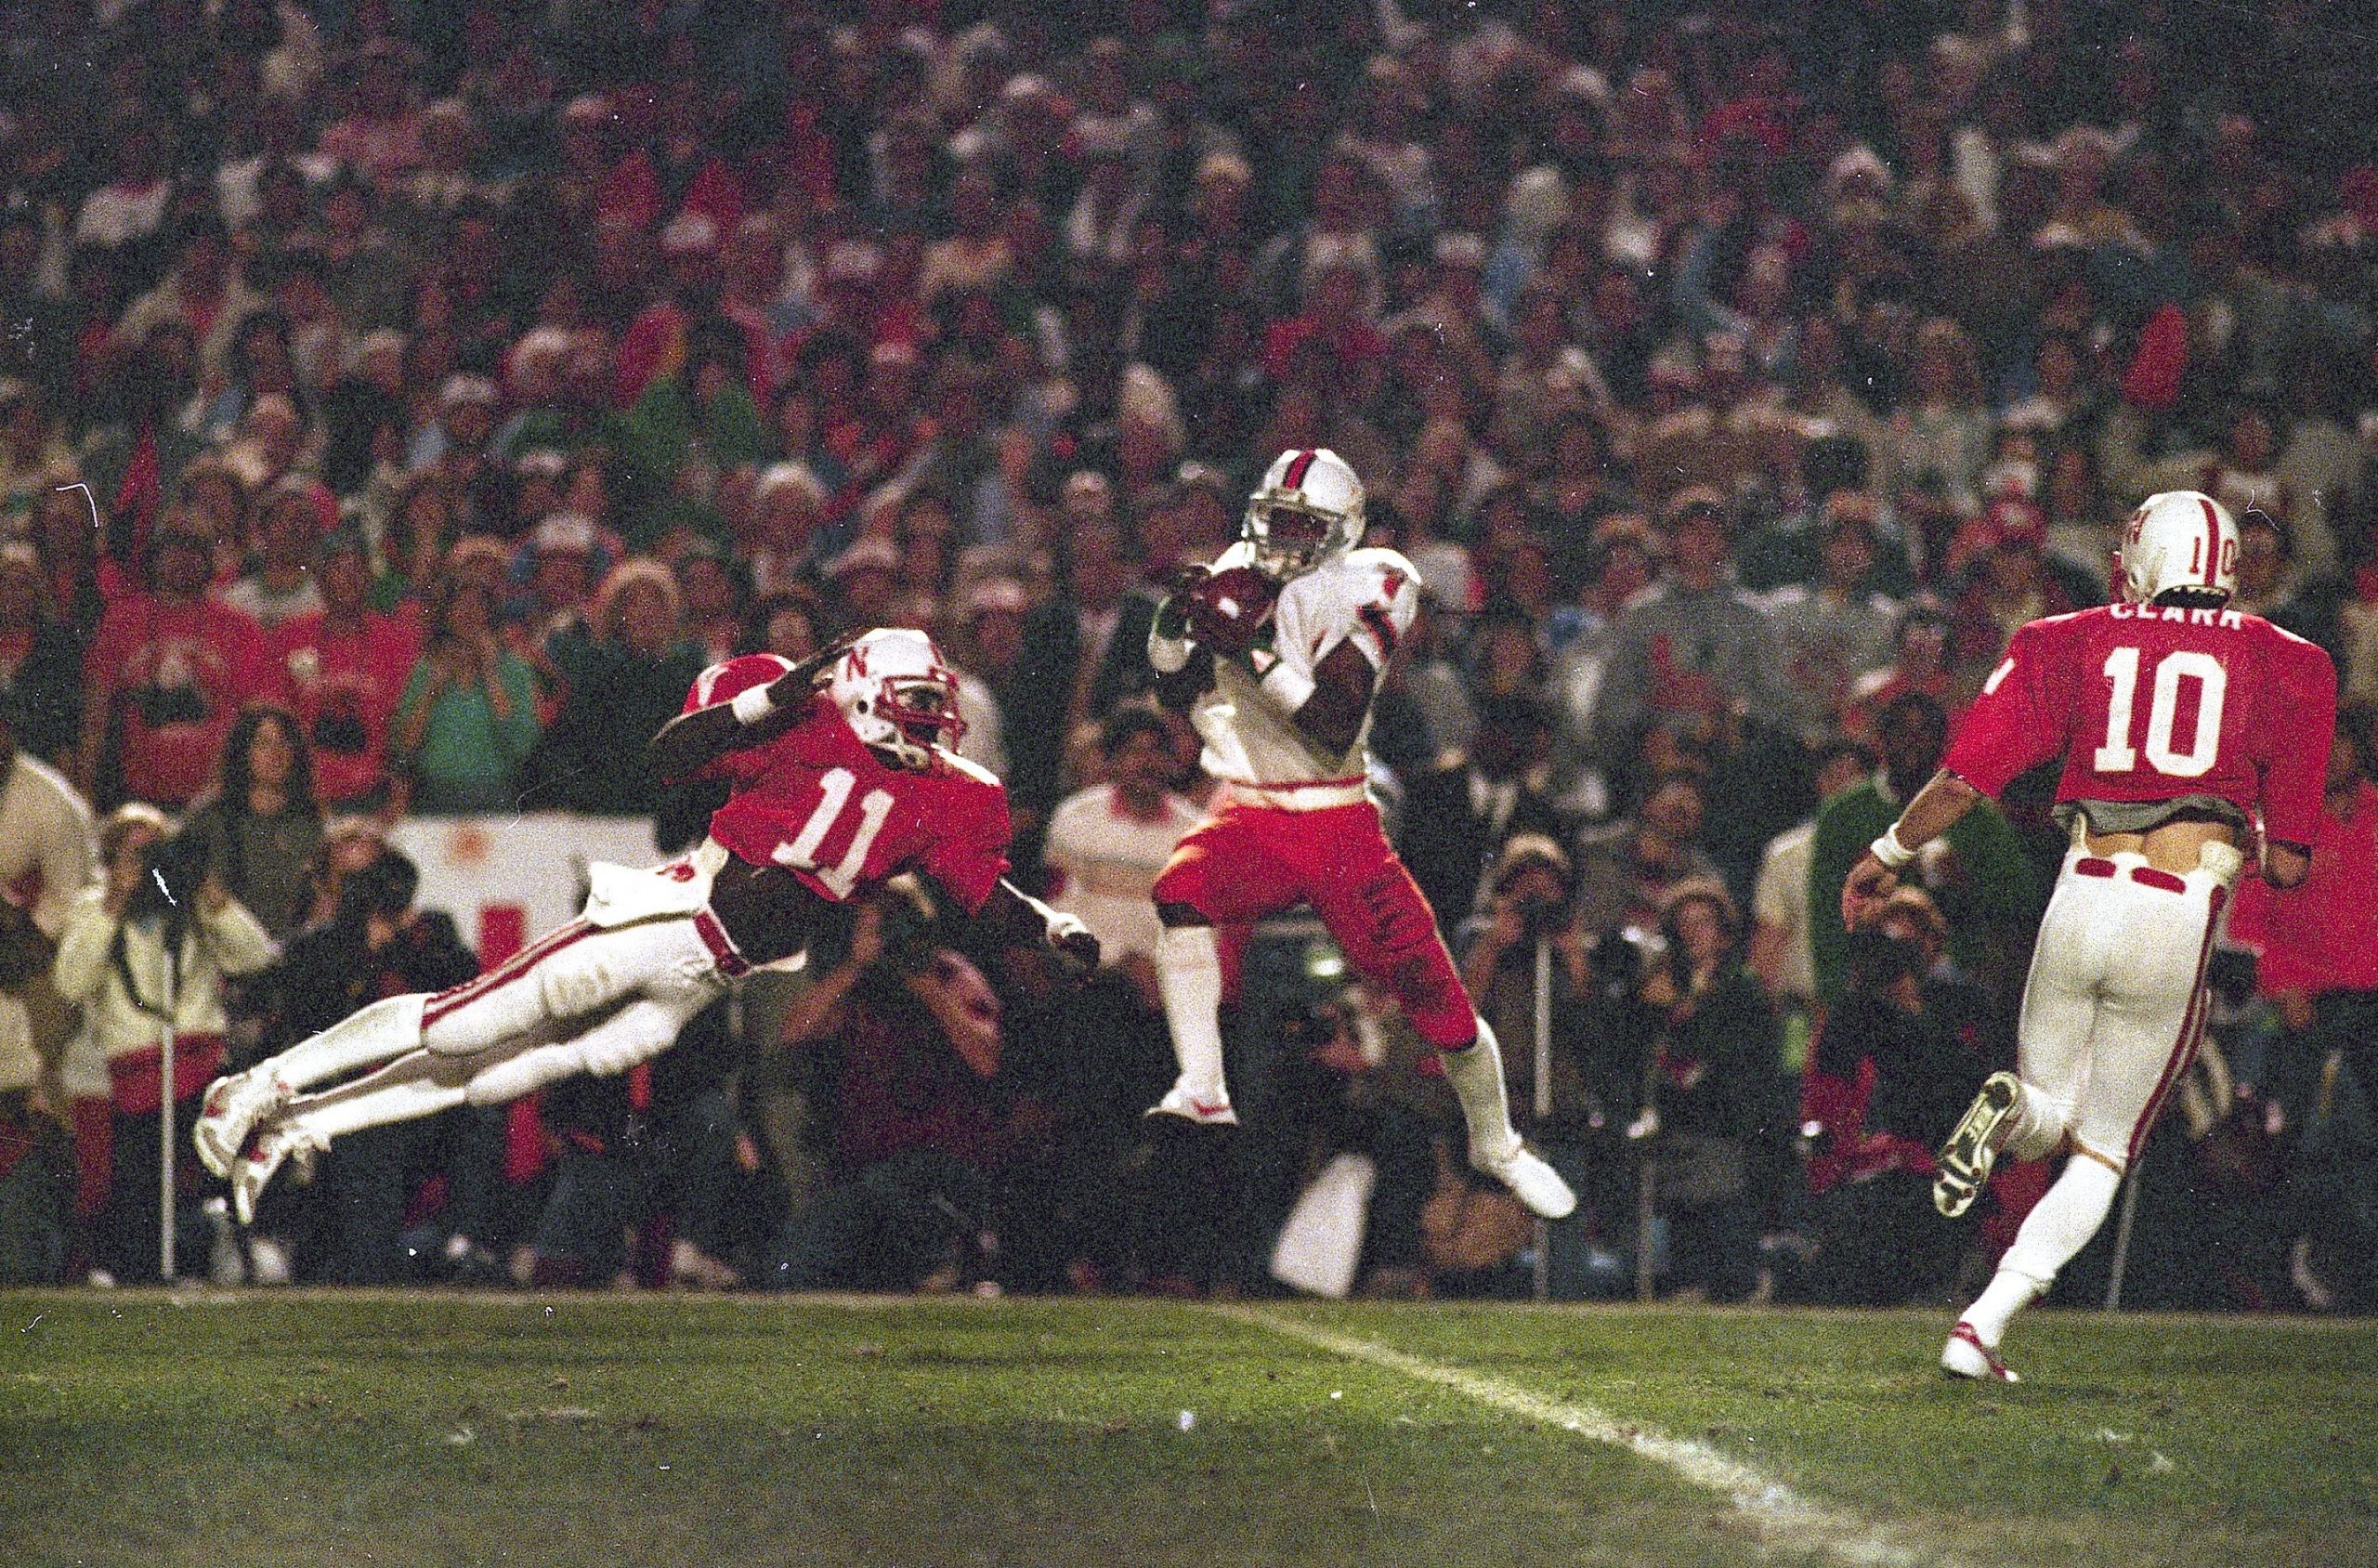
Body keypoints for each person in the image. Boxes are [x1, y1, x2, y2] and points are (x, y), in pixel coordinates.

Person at [193, 627, 1098, 1224]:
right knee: (465, 1020)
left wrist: (1052, 926)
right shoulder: (794, 712)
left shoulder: (944, 792)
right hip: (679, 915)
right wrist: (767, 702)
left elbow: (976, 885)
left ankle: (298, 1126)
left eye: (930, 706)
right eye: (911, 703)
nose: (928, 723)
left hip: (713, 975)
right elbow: (667, 756)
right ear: (857, 688)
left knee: (494, 1071)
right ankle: (258, 1086)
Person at [1840, 491, 2337, 1381]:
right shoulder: (2291, 662)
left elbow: (1963, 780)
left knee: (2046, 1113)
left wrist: (1886, 852)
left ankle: (2010, 1112)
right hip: (2176, 911)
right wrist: (2229, 839)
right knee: (2103, 1152)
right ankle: (1981, 1326)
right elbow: (2294, 865)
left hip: (2079, 893)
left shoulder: (2065, 638)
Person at [1143, 448, 1574, 1220]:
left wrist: (1251, 645)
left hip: (1336, 818)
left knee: (1436, 1000)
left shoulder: (1375, 582)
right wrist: (1172, 632)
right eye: (1276, 518)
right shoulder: (1240, 567)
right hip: (1252, 806)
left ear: (1342, 532)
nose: (1281, 537)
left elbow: (1334, 723)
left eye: (1303, 525)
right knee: (1179, 891)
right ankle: (1202, 1085)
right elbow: (1177, 691)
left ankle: (1498, 1144)